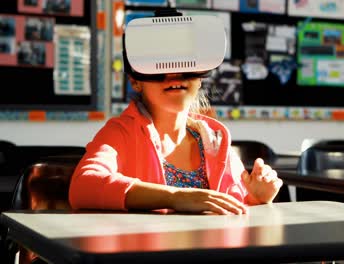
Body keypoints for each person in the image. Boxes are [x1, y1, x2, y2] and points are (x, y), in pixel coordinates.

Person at [68, 10, 283, 215]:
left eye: (186, 63)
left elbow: (230, 209)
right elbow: (83, 186)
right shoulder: (122, 133)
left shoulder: (215, 142)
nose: (174, 74)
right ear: (135, 80)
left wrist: (256, 198)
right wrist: (175, 196)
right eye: (159, 65)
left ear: (199, 78)